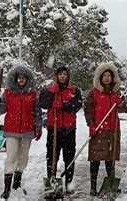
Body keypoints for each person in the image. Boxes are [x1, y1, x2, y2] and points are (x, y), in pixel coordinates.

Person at [0, 64, 43, 199]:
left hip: (27, 130)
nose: (21, 80)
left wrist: (38, 128)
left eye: (24, 78)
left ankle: (16, 184)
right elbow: (1, 110)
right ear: (15, 79)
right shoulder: (8, 93)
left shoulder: (33, 93)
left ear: (28, 79)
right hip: (11, 130)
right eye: (19, 78)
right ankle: (6, 188)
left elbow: (37, 112)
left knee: (23, 158)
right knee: (11, 157)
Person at [38, 65, 83, 194]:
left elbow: (77, 105)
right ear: (56, 76)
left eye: (65, 74)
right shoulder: (49, 90)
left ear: (68, 76)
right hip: (54, 128)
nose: (63, 76)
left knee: (69, 156)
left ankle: (69, 183)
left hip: (69, 129)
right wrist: (52, 94)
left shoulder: (74, 90)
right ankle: (51, 180)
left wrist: (63, 105)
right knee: (52, 156)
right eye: (60, 74)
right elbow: (43, 104)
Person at [84, 63, 127, 196]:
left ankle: (110, 182)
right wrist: (91, 124)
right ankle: (93, 186)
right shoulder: (94, 93)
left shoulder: (116, 93)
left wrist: (121, 103)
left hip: (113, 129)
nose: (107, 78)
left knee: (110, 158)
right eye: (105, 76)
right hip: (98, 129)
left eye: (109, 75)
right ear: (100, 77)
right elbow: (89, 110)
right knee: (95, 159)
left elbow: (123, 109)